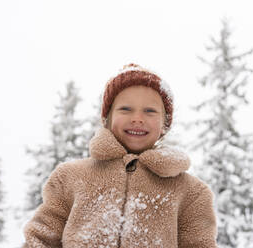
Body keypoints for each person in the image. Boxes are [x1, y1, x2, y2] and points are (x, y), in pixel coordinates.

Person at [23, 64, 218, 247]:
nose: (137, 118)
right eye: (126, 109)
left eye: (150, 111)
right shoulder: (69, 177)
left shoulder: (191, 192)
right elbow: (40, 239)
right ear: (107, 119)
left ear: (164, 124)